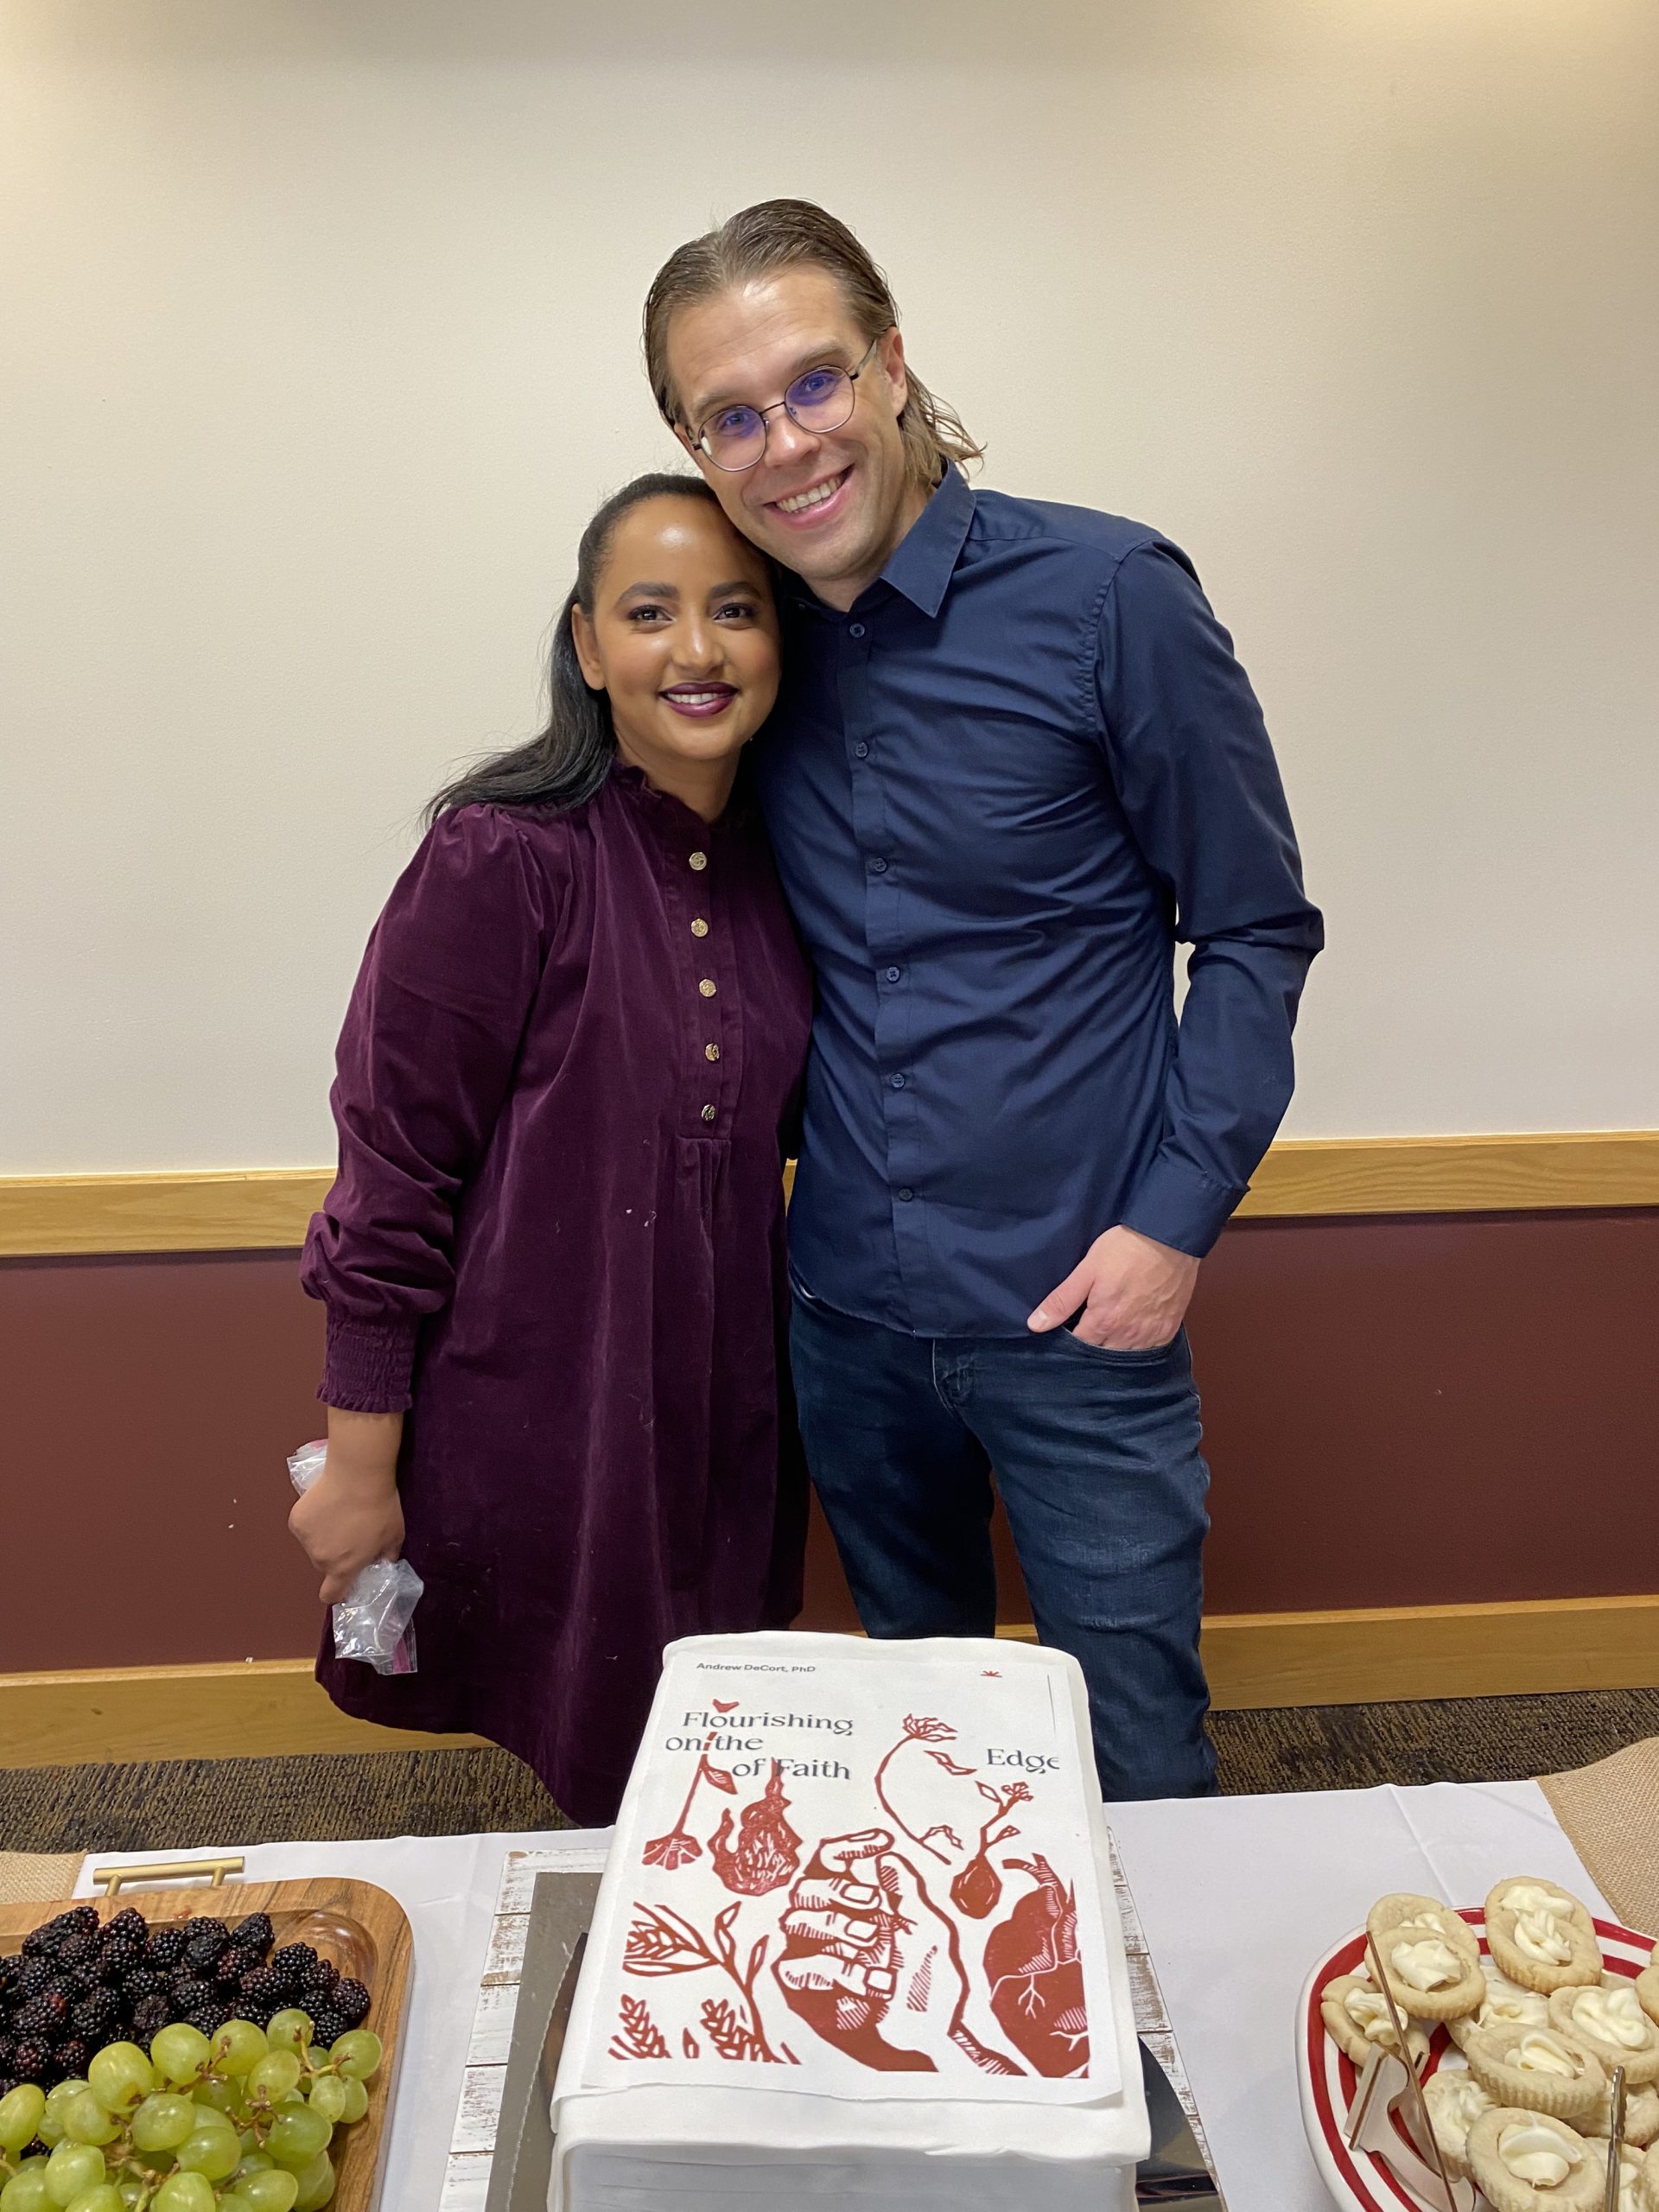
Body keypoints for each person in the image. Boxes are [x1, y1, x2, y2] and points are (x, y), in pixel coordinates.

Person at [640, 200, 1324, 1800]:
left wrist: (1172, 1228)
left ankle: (1164, 2058)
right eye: (729, 416)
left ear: (890, 365)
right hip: (847, 1316)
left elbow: (1255, 929)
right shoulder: (736, 650)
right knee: (929, 1774)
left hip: (1082, 1307)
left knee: (1142, 1767)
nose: (784, 443)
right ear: (692, 440)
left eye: (814, 382)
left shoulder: (1111, 597)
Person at [289, 474, 813, 1824]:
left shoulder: (785, 870)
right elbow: (391, 1173)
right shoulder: (500, 859)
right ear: (588, 646)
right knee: (608, 1768)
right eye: (651, 612)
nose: (696, 650)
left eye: (735, 611)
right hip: (546, 1415)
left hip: (733, 1413)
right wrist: (359, 1465)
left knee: (723, 1754)